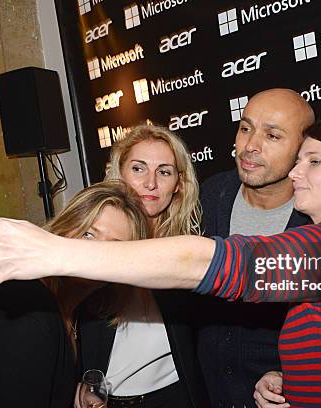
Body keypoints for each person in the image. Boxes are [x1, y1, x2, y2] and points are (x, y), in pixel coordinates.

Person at [0, 126, 321, 407]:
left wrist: (52, 251)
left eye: (313, 161)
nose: (294, 174)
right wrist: (290, 381)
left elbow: (218, 262)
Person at [0, 180, 149, 407]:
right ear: (62, 231)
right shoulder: (29, 314)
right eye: (88, 235)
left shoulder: (78, 310)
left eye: (114, 247)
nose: (96, 253)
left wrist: (73, 393)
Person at [75, 124, 208, 407]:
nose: (150, 183)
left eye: (164, 171)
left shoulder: (187, 252)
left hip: (175, 397)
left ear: (178, 185)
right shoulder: (94, 240)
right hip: (107, 401)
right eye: (138, 168)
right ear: (119, 174)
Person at [198, 88, 312, 407]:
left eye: (272, 136)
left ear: (304, 149)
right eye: (245, 128)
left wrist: (291, 375)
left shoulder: (319, 221)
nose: (250, 146)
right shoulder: (210, 195)